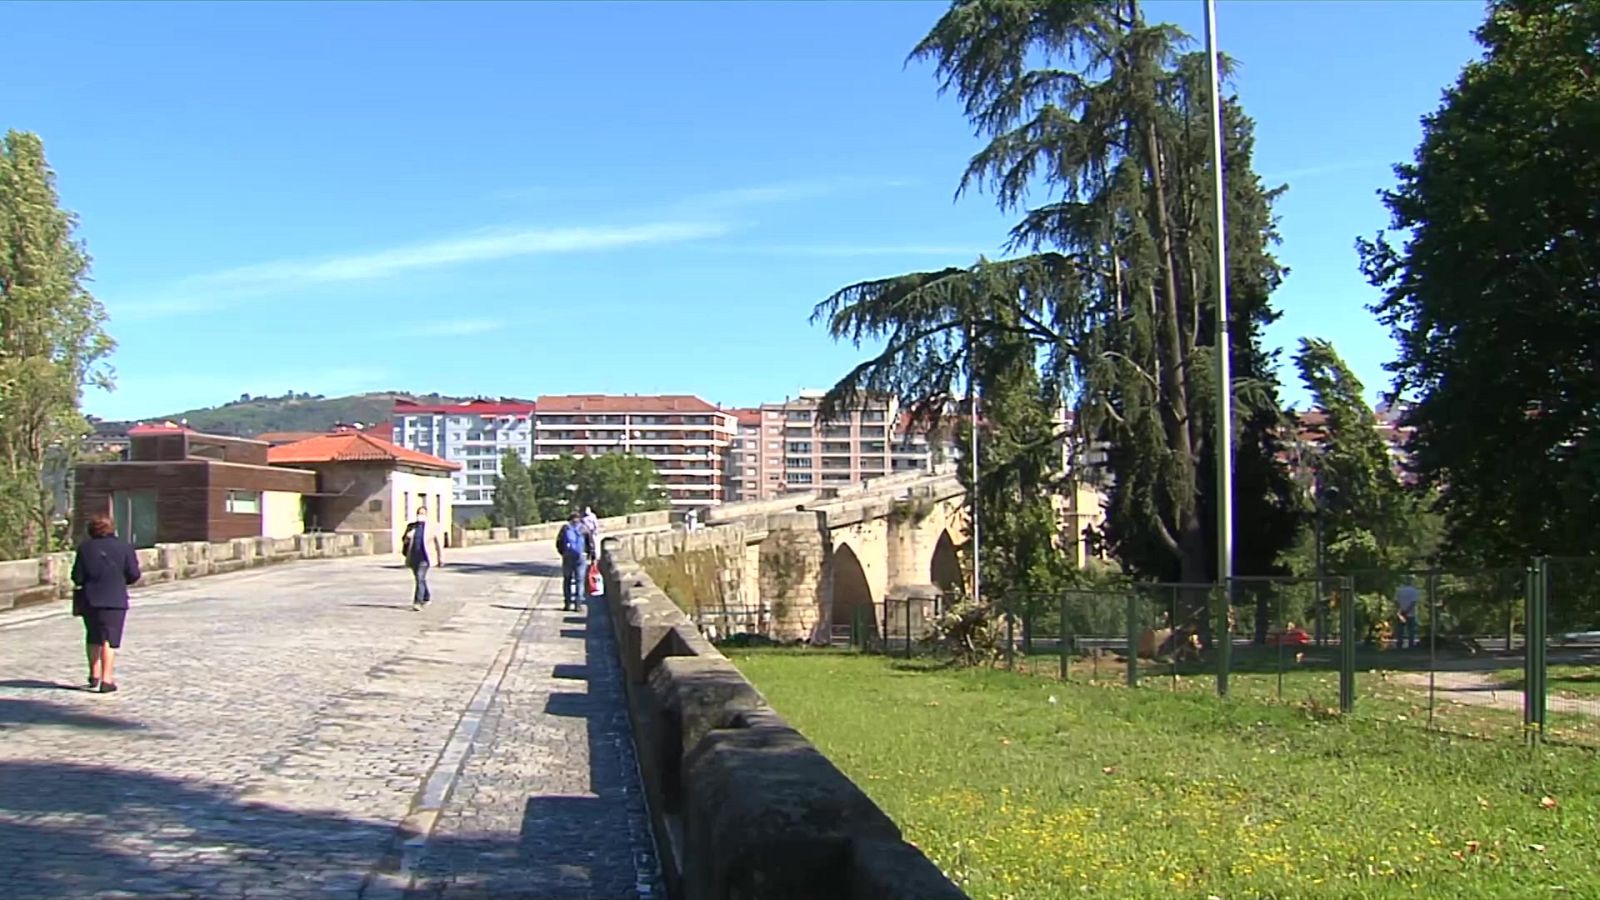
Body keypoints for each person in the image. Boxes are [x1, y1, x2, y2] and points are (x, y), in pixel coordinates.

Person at [71, 514, 142, 694]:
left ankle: (93, 675)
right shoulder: (124, 547)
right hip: (114, 599)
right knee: (109, 638)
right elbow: (133, 574)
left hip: (90, 599)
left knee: (93, 636)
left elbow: (76, 576)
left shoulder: (85, 548)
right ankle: (107, 679)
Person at [402, 505, 444, 611]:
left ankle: (418, 602)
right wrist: (407, 537)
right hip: (413, 557)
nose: (420, 515)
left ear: (426, 515)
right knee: (420, 579)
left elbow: (438, 543)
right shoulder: (412, 526)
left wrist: (440, 558)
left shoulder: (432, 527)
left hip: (425, 558)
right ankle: (426, 596)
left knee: (420, 577)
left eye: (422, 513)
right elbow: (404, 540)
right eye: (419, 513)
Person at [556, 511, 589, 611]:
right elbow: (590, 542)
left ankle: (567, 604)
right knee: (580, 581)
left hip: (567, 557)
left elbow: (558, 543)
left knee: (567, 580)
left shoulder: (565, 528)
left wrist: (563, 553)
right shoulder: (583, 528)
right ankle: (578, 605)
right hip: (581, 557)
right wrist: (590, 555)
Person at [1394, 581, 1420, 649]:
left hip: (1401, 613)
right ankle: (1411, 645)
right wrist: (1407, 611)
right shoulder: (1414, 591)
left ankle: (1399, 644)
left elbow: (1396, 601)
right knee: (1411, 630)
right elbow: (1413, 602)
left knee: (1400, 630)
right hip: (1411, 613)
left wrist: (1401, 610)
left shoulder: (1399, 590)